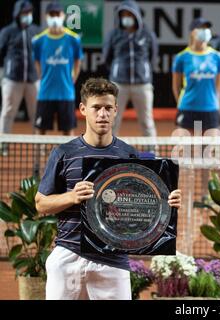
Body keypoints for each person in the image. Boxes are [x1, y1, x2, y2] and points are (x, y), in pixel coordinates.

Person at [34, 78, 182, 300]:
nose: (102, 114)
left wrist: (167, 203)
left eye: (108, 108)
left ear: (115, 111)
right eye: (96, 108)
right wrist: (72, 196)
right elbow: (41, 204)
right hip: (68, 255)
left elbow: (146, 207)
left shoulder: (129, 156)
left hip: (113, 260)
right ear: (83, 109)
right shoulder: (64, 153)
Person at [172, 17, 220, 198]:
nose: (205, 32)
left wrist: (212, 101)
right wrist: (183, 102)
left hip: (210, 110)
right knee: (184, 153)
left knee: (207, 153)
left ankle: (205, 193)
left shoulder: (217, 57)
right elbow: (176, 86)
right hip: (187, 109)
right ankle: (183, 193)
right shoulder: (182, 57)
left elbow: (218, 85)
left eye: (207, 28)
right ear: (192, 32)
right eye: (201, 28)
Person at [102, 0, 158, 138]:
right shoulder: (113, 34)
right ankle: (110, 153)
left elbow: (153, 56)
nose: (126, 17)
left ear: (136, 16)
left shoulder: (147, 34)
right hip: (118, 85)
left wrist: (143, 71)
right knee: (113, 121)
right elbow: (106, 57)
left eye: (130, 14)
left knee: (147, 122)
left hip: (142, 85)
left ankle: (151, 155)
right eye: (123, 15)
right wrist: (117, 71)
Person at [31, 1, 83, 136]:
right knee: (40, 131)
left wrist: (73, 78)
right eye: (51, 14)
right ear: (46, 17)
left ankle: (69, 158)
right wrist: (42, 76)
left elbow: (78, 60)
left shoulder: (73, 39)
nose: (55, 17)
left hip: (66, 93)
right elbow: (36, 60)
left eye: (57, 14)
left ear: (63, 16)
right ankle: (38, 158)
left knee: (68, 131)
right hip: (45, 93)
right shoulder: (38, 40)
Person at [0, 0, 40, 139]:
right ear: (17, 14)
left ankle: (38, 144)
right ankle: (3, 143)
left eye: (29, 12)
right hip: (12, 79)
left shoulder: (36, 30)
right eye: (24, 12)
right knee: (8, 112)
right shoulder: (7, 31)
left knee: (36, 113)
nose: (27, 15)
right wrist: (5, 72)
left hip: (33, 79)